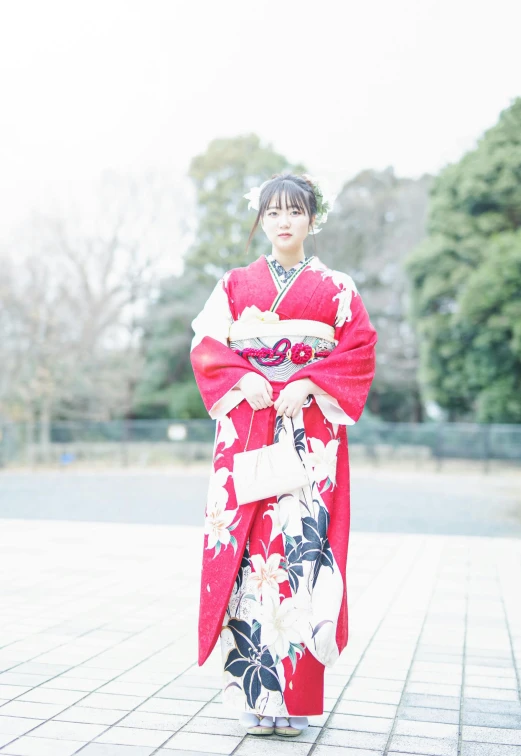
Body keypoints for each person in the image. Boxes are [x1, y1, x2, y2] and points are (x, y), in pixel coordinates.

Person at [190, 172, 377, 737]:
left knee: (299, 554)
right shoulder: (234, 284)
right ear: (261, 219)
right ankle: (250, 694)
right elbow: (206, 346)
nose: (283, 222)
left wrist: (312, 380)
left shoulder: (337, 288)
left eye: (295, 212)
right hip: (249, 427)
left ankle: (292, 700)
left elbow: (360, 350)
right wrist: (243, 377)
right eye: (272, 213)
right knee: (250, 557)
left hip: (308, 434)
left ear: (313, 219)